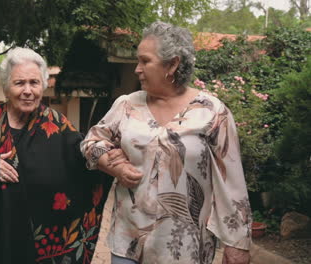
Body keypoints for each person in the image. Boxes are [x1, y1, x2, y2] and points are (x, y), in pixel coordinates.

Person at [81, 21, 252, 264]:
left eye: (145, 61)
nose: (137, 69)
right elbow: (91, 142)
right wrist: (112, 164)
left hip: (185, 250)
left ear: (172, 64)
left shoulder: (212, 113)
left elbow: (232, 183)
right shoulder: (127, 105)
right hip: (128, 243)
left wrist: (237, 244)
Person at [0, 47, 109, 264]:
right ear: (6, 88)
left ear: (43, 86)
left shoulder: (58, 124)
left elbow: (84, 160)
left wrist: (109, 158)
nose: (28, 90)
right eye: (19, 83)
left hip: (44, 248)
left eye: (34, 83)